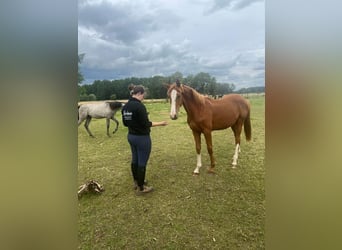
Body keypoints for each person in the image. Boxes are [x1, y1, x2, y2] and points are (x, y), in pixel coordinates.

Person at [122, 85, 168, 194]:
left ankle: (137, 181)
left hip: (131, 136)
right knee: (142, 162)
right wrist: (161, 123)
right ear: (139, 93)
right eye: (143, 95)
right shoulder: (139, 106)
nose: (144, 97)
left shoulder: (125, 106)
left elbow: (125, 123)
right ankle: (141, 188)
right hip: (142, 139)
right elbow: (146, 124)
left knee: (135, 160)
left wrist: (135, 122)